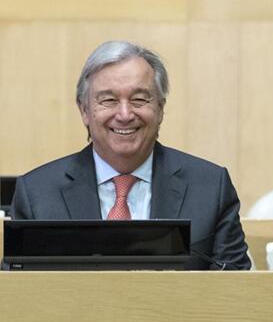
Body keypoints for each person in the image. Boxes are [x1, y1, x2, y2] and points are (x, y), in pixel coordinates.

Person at [11, 40, 251, 270]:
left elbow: (235, 292)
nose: (125, 114)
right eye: (109, 100)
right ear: (84, 110)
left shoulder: (210, 188)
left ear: (160, 109)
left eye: (139, 99)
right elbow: (19, 295)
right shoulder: (37, 194)